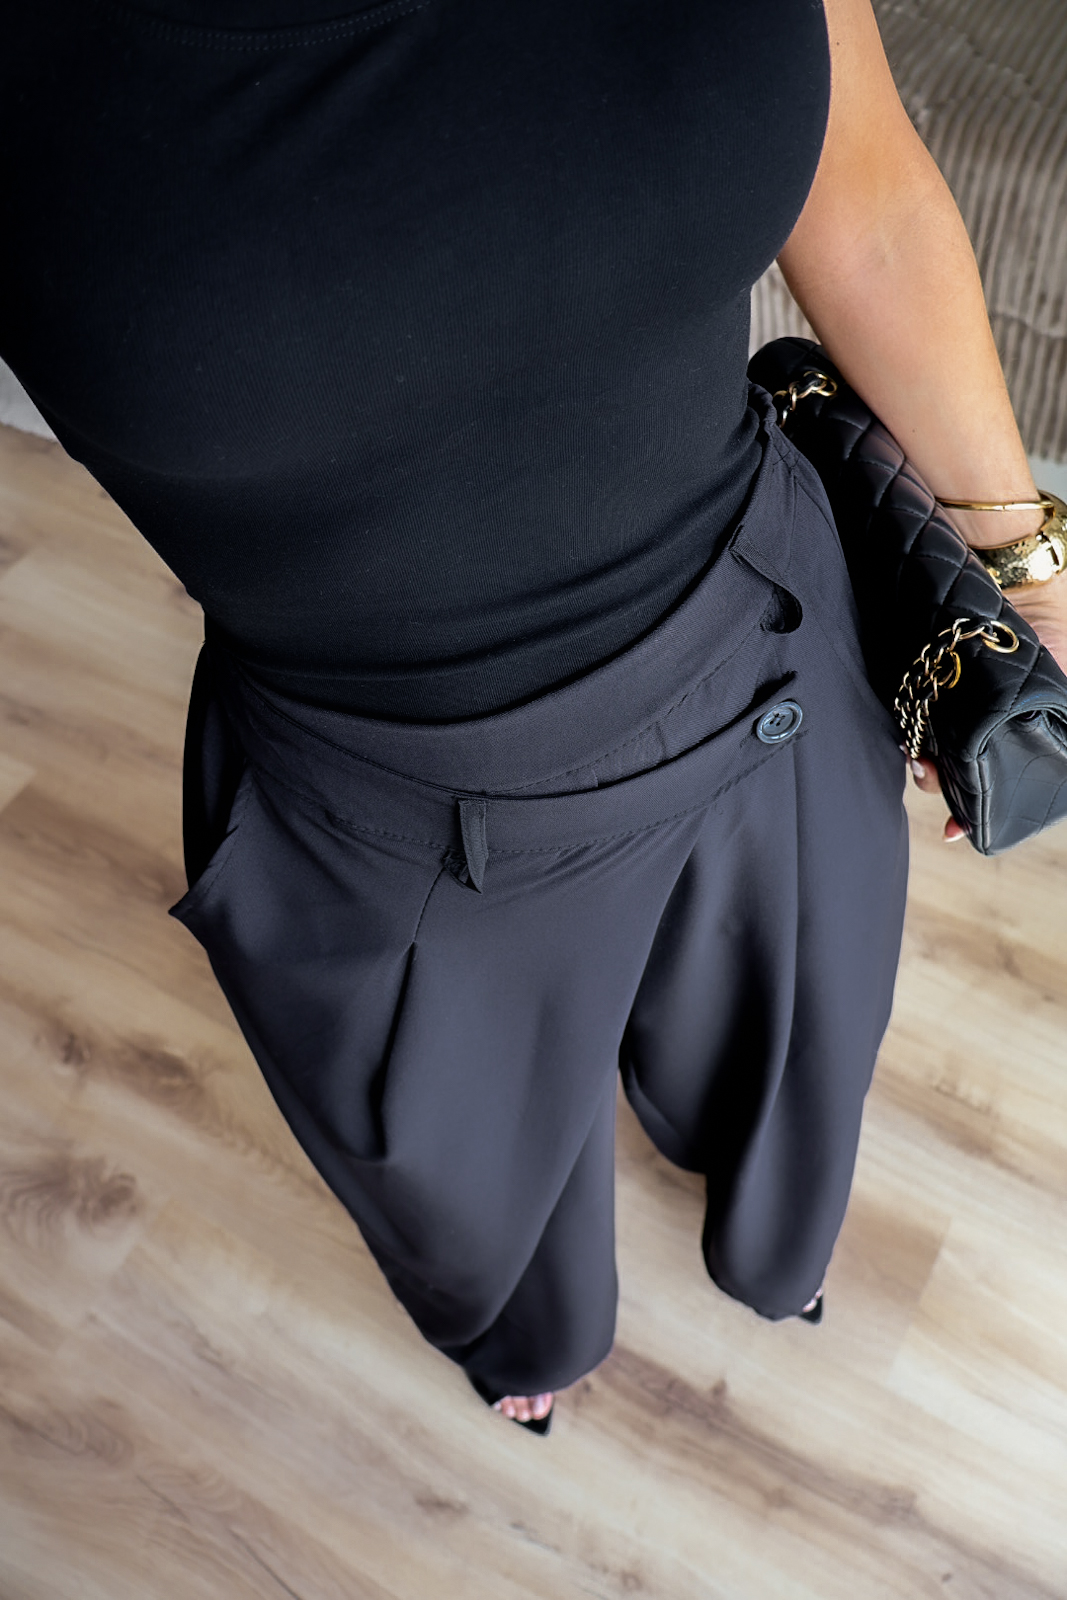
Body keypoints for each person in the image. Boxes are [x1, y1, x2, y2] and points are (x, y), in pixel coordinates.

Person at [2, 0, 1063, 1435]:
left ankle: (772, 1250)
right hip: (383, 813)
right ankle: (531, 1325)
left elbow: (866, 203)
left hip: (771, 656)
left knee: (793, 1060)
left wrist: (1029, 574)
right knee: (479, 1211)